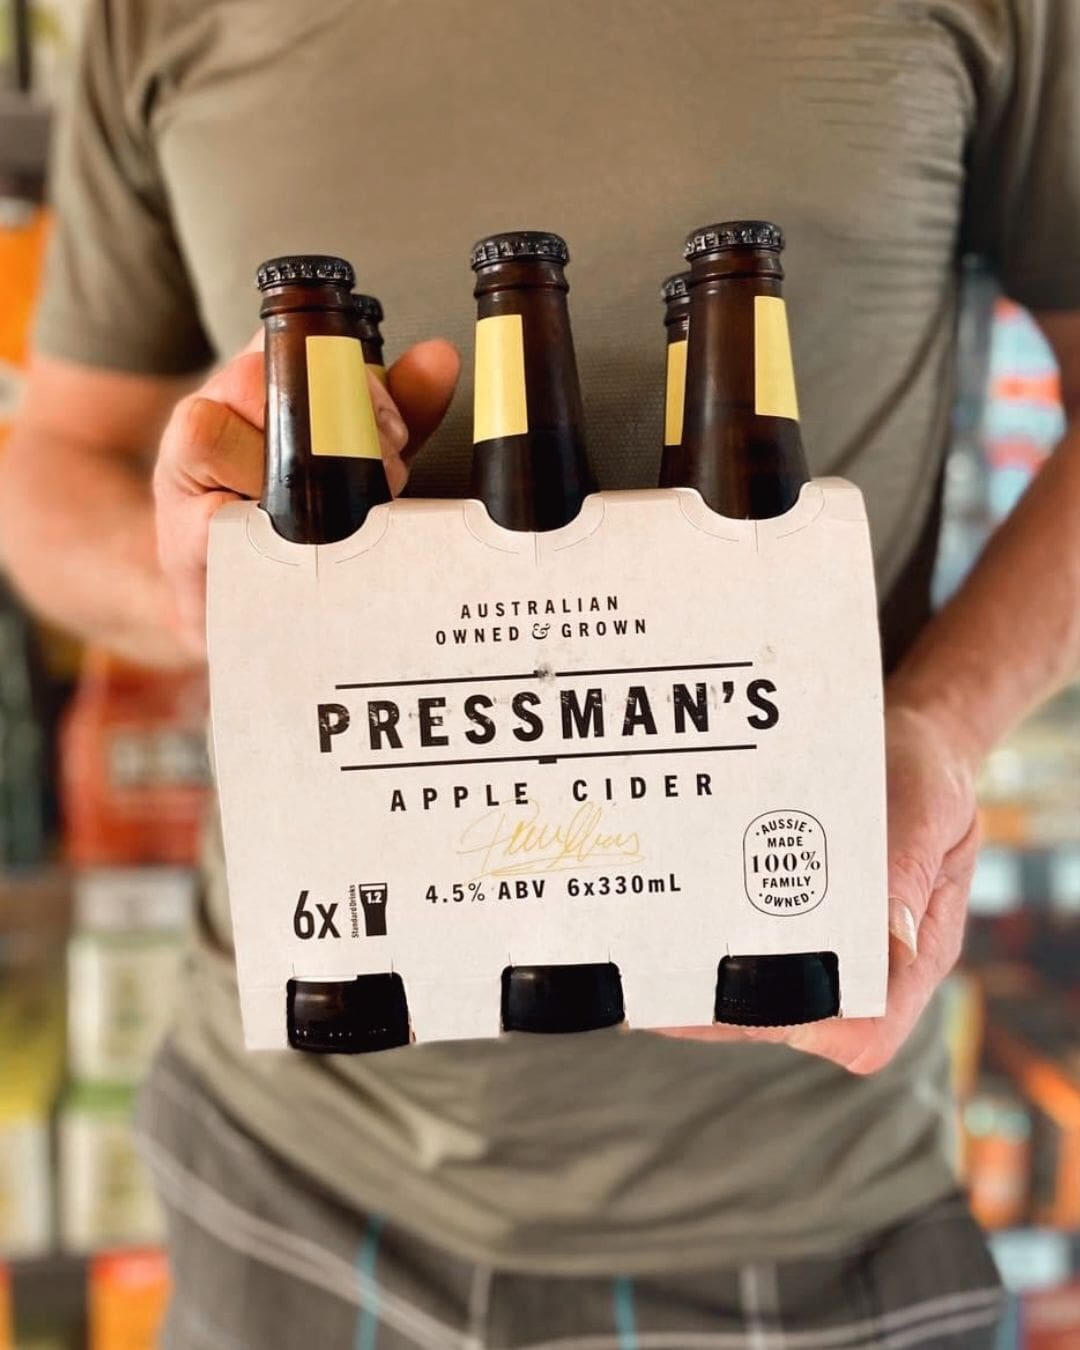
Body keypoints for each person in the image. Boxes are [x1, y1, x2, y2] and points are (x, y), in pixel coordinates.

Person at [2, 2, 1078, 1344]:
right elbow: (46, 467)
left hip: (806, 1182)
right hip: (294, 1154)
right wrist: (182, 574)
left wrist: (943, 720)